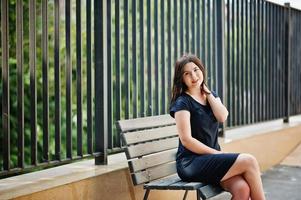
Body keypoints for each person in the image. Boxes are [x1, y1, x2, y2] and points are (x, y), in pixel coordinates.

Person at [170, 54, 266, 200]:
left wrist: (207, 93)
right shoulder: (182, 102)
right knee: (249, 161)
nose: (194, 76)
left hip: (211, 160)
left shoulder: (210, 95)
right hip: (191, 163)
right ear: (181, 79)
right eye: (187, 74)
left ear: (202, 70)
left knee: (242, 189)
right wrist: (216, 154)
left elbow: (222, 116)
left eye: (196, 70)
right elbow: (186, 140)